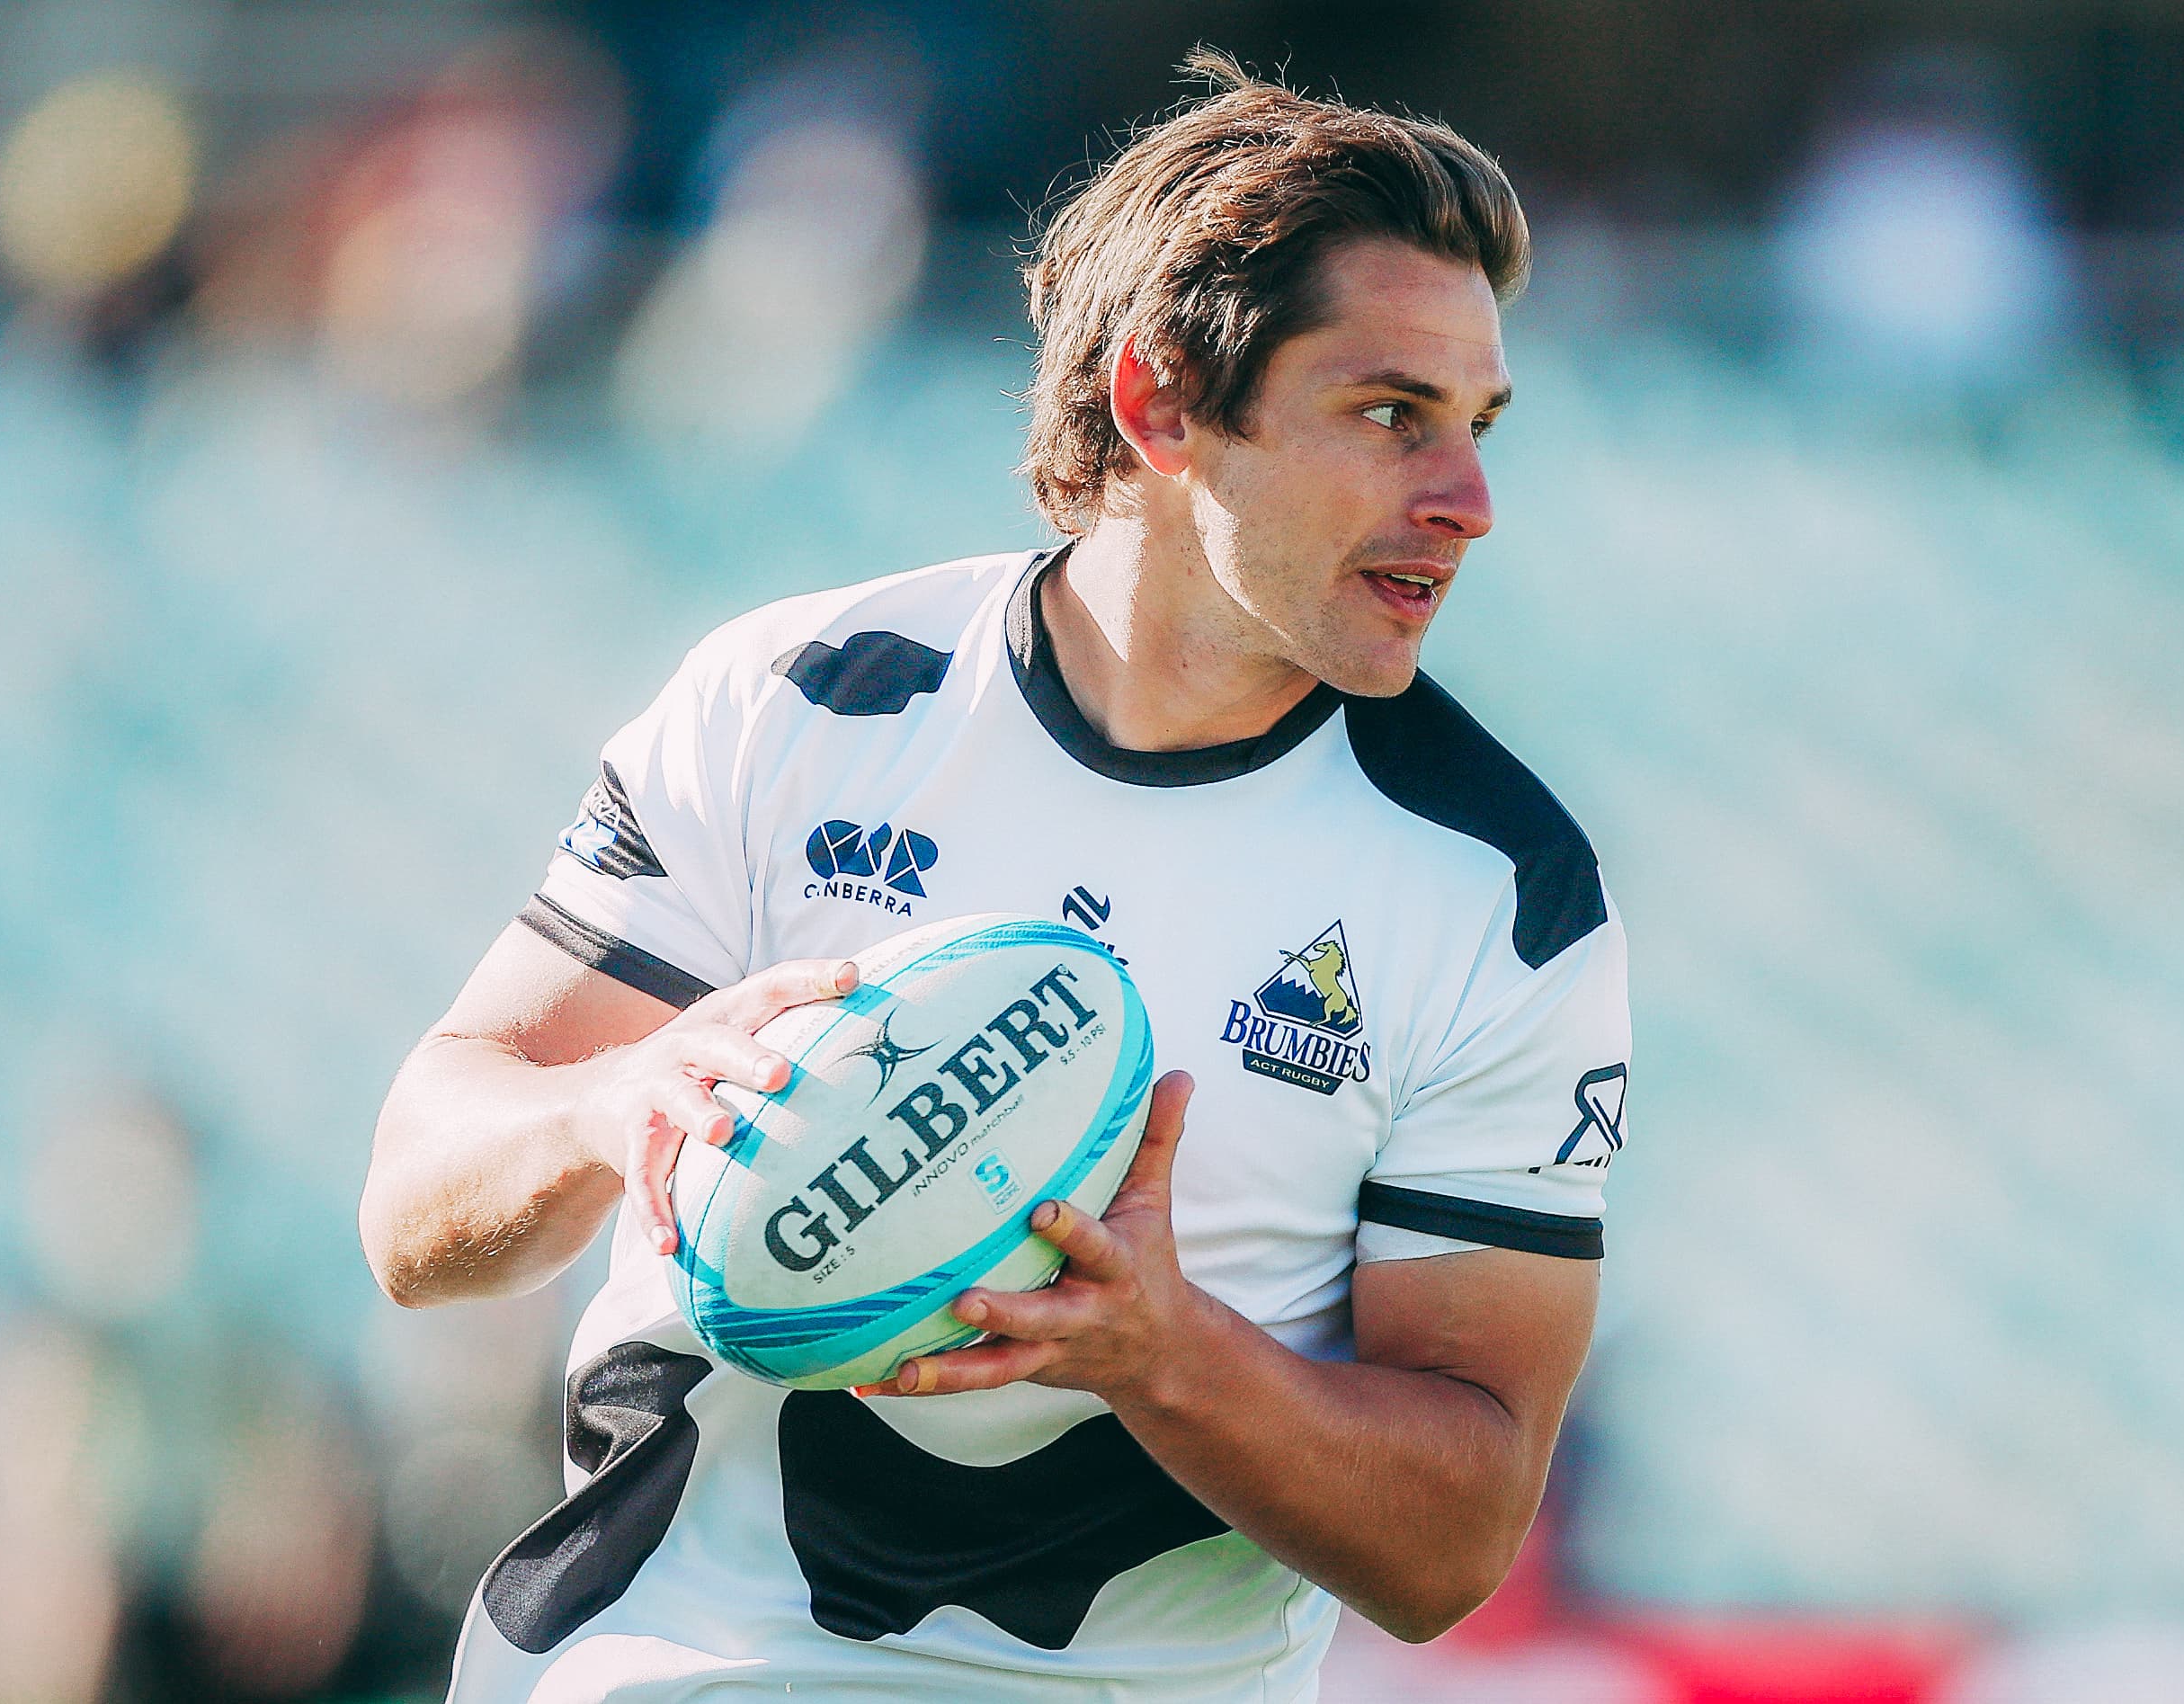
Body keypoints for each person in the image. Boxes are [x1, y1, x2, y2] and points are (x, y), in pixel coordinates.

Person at [361, 50, 1631, 1701]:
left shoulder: (1500, 886)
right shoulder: (800, 706)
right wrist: (619, 1109)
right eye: (1391, 414)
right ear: (1161, 402)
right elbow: (416, 1211)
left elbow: (1454, 1546)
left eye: (1476, 425)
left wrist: (1163, 1355)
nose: (1464, 501)